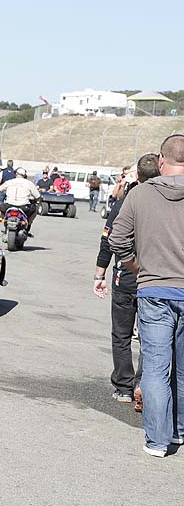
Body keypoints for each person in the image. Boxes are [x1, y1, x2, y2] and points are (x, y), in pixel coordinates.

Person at [109, 135, 184, 458]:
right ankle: (179, 430)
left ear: (162, 160)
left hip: (153, 288)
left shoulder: (139, 194)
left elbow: (118, 239)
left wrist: (136, 268)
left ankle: (157, 440)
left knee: (155, 367)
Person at [94, 154, 160, 412]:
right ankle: (143, 383)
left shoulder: (124, 203)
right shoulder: (167, 202)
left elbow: (107, 241)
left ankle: (123, 387)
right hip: (154, 277)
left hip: (125, 276)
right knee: (150, 336)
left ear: (138, 177)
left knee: (121, 334)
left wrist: (99, 275)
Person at [0, 168, 41, 233]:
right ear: (25, 175)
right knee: (35, 209)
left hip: (9, 205)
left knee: (0, 208)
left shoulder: (10, 182)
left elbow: (0, 188)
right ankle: (28, 224)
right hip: (23, 206)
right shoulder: (29, 183)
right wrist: (37, 200)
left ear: (16, 174)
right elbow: (37, 196)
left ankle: (4, 221)